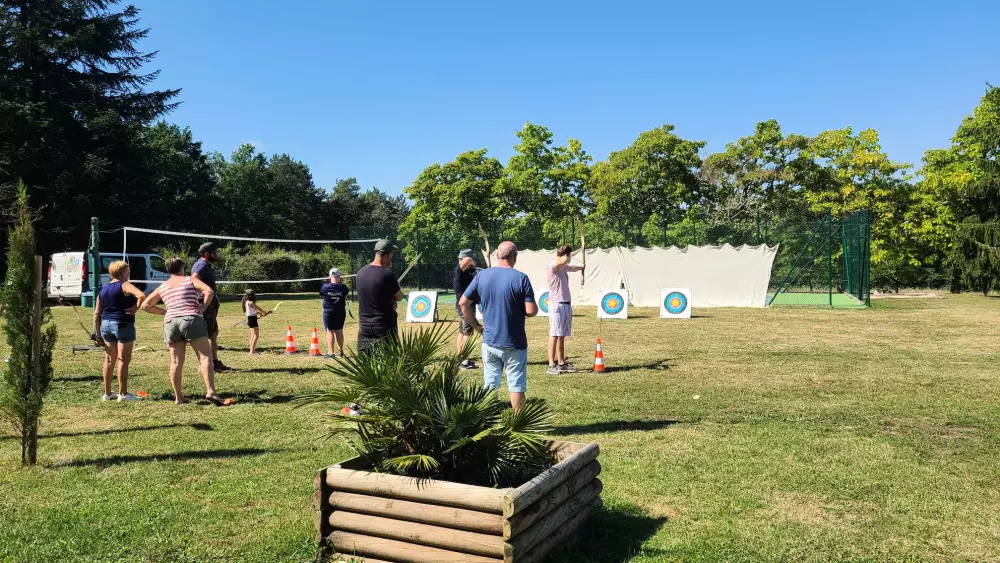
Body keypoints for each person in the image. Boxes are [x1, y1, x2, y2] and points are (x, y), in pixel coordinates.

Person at [460, 241, 537, 412]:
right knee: (516, 385)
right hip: (514, 342)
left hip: (490, 340)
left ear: (496, 255)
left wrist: (477, 326)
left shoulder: (482, 276)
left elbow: (463, 303)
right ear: (515, 257)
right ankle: (520, 426)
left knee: (489, 383)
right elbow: (531, 311)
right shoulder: (521, 278)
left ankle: (485, 422)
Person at [141, 257, 224, 405]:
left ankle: (178, 397)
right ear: (181, 268)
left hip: (170, 322)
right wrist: (203, 307)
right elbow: (209, 291)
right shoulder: (189, 280)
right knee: (205, 357)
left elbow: (146, 306)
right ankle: (210, 391)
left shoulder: (163, 286)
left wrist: (165, 312)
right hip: (191, 318)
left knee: (175, 361)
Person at [93, 260, 146, 402]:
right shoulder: (125, 285)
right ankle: (123, 394)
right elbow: (141, 295)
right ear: (122, 273)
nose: (129, 274)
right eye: (128, 272)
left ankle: (108, 393)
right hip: (123, 324)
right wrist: (135, 309)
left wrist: (97, 334)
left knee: (110, 359)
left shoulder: (103, 289)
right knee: (123, 359)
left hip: (105, 325)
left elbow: (97, 313)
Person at [355, 240, 404, 353]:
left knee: (366, 366)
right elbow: (399, 297)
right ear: (389, 254)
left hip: (364, 327)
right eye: (392, 254)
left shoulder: (360, 273)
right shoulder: (387, 275)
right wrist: (390, 273)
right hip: (383, 328)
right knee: (389, 365)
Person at [544, 245, 585, 374]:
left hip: (566, 304)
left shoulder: (563, 267)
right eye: (569, 256)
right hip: (557, 305)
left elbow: (571, 267)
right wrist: (567, 256)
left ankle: (561, 363)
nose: (569, 259)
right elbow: (561, 261)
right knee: (554, 334)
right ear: (565, 255)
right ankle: (551, 364)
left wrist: (582, 267)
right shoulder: (553, 265)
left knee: (561, 335)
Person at [191, 242, 229, 372]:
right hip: (206, 304)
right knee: (208, 334)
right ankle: (211, 363)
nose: (215, 255)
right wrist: (205, 300)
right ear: (207, 254)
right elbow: (194, 279)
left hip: (210, 305)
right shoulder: (201, 266)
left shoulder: (205, 265)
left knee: (213, 332)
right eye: (213, 253)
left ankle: (214, 361)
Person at [453, 249, 478, 370]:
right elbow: (466, 260)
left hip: (465, 305)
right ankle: (464, 361)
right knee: (468, 333)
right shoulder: (459, 270)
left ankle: (461, 358)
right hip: (465, 307)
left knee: (462, 332)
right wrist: (471, 261)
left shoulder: (465, 271)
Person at [320, 268, 350, 358]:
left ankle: (331, 352)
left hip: (329, 312)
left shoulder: (325, 287)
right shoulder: (343, 288)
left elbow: (321, 294)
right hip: (340, 312)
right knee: (339, 330)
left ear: (329, 277)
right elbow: (345, 294)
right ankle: (341, 352)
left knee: (330, 331)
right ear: (339, 277)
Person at [241, 288, 269, 356]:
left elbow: (253, 311)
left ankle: (251, 350)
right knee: (256, 336)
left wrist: (261, 313)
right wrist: (264, 312)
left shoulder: (247, 302)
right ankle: (252, 352)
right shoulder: (251, 303)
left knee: (253, 336)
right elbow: (260, 309)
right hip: (252, 320)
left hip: (251, 319)